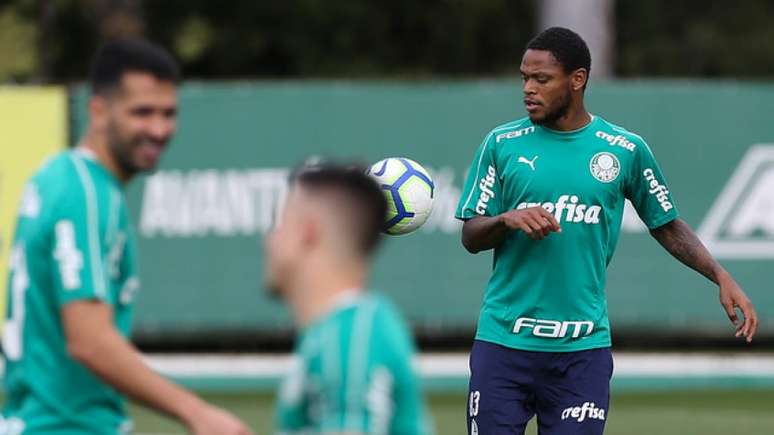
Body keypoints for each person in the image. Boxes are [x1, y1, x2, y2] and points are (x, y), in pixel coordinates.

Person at [455, 27, 758, 435]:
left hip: (582, 352)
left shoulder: (624, 149)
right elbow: (471, 235)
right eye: (525, 78)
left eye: (541, 79)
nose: (528, 88)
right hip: (503, 345)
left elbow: (666, 225)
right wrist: (505, 219)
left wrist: (719, 275)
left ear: (577, 80)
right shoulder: (502, 143)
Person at [1, 39, 252, 435]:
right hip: (66, 425)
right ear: (98, 110)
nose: (159, 129)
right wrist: (198, 413)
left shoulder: (59, 176)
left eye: (169, 114)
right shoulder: (84, 192)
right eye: (142, 113)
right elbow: (89, 340)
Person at [266, 164, 432, 435]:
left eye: (280, 225)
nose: (268, 241)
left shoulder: (349, 339)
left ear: (307, 232)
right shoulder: (342, 329)